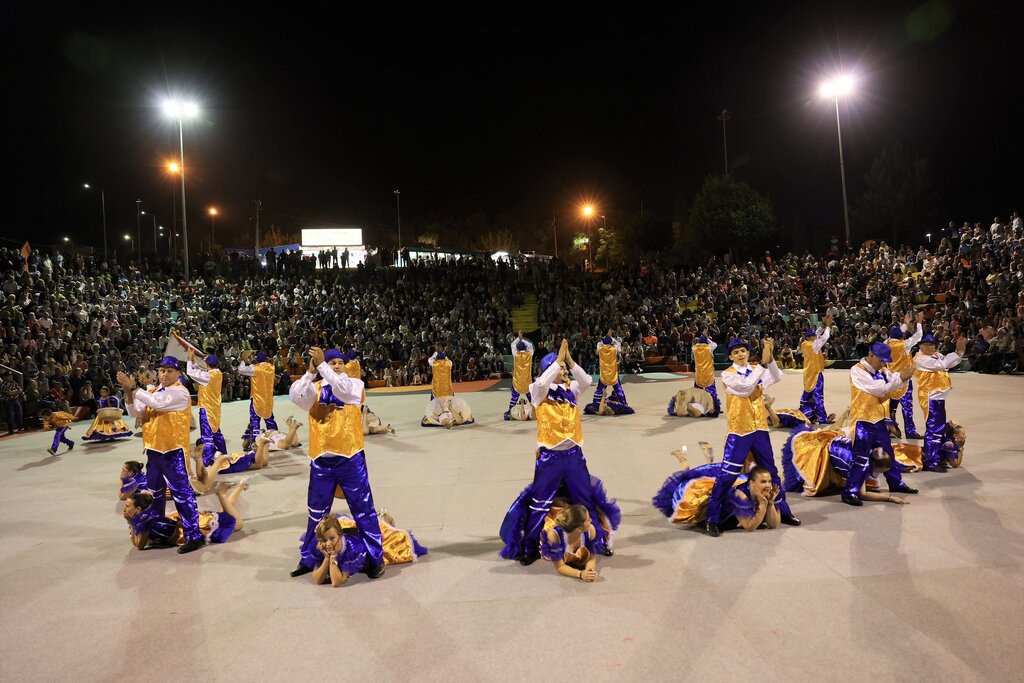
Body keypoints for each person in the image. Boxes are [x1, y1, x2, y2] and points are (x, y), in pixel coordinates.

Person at [500, 339, 617, 565]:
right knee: (540, 503)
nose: (564, 371)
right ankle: (530, 547)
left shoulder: (572, 389)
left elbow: (586, 380)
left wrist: (570, 361)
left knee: (585, 499)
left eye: (564, 368)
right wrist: (558, 361)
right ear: (550, 370)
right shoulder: (538, 391)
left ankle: (597, 541)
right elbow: (542, 382)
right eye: (560, 368)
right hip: (549, 457)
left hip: (574, 456)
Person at [288, 347, 385, 579]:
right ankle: (309, 557)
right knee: (316, 513)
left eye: (340, 362)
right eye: (332, 363)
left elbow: (342, 390)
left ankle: (375, 558)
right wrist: (310, 373)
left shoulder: (354, 385)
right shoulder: (314, 388)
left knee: (363, 510)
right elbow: (296, 396)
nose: (337, 366)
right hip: (321, 461)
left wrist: (323, 366)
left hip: (350, 459)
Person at [705, 338, 799, 537]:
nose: (740, 354)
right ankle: (712, 518)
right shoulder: (728, 375)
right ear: (730, 357)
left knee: (771, 471)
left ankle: (783, 510)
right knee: (727, 475)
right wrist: (763, 364)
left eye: (743, 351)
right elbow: (747, 387)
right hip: (739, 432)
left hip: (760, 429)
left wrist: (770, 357)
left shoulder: (756, 369)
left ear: (748, 353)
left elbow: (777, 376)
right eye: (736, 352)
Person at [118, 356, 204, 554]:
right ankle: (159, 530)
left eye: (169, 371)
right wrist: (128, 391)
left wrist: (135, 388)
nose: (164, 374)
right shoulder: (155, 391)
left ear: (178, 374)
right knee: (154, 495)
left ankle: (194, 536)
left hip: (173, 453)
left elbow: (158, 404)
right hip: (154, 453)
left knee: (182, 495)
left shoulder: (180, 392)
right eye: (162, 370)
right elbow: (135, 412)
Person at [843, 342, 919, 507]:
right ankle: (850, 492)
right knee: (861, 458)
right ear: (871, 355)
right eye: (882, 360)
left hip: (879, 421)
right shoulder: (857, 370)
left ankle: (896, 483)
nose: (884, 363)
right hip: (863, 422)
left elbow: (895, 385)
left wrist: (904, 378)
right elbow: (879, 389)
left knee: (889, 454)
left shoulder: (882, 371)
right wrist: (901, 378)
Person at [654, 445, 782, 532]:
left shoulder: (765, 491)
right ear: (752, 483)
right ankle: (683, 460)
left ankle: (708, 461)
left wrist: (770, 503)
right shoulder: (739, 495)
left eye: (769, 481)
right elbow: (750, 526)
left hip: (730, 486)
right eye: (763, 482)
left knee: (714, 477)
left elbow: (774, 524)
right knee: (687, 482)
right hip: (702, 503)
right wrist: (763, 505)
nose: (768, 485)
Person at [781, 425, 910, 505]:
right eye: (880, 471)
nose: (880, 474)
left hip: (837, 441)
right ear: (873, 464)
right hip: (824, 451)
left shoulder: (870, 452)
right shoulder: (861, 465)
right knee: (812, 478)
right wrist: (889, 498)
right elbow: (862, 494)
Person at [310, 512, 427, 587]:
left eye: (332, 538)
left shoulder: (352, 549)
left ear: (340, 536)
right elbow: (317, 579)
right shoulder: (320, 546)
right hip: (350, 533)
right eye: (324, 540)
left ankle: (383, 520)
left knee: (389, 543)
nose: (328, 544)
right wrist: (326, 558)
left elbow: (337, 582)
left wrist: (333, 556)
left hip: (363, 546)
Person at [121, 482, 247, 550]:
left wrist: (131, 523)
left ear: (138, 509)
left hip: (184, 530)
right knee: (224, 515)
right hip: (180, 524)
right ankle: (240, 486)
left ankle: (222, 493)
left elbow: (139, 545)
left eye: (127, 506)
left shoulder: (143, 521)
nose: (124, 509)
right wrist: (132, 523)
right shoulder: (143, 516)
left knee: (237, 524)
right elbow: (136, 541)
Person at [914, 334, 968, 472]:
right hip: (930, 398)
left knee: (939, 429)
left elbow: (950, 362)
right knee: (933, 430)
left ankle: (936, 457)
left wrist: (959, 353)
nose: (931, 347)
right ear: (920, 346)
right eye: (927, 345)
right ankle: (931, 461)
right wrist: (957, 352)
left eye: (933, 345)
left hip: (938, 398)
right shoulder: (920, 359)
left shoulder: (936, 355)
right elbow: (942, 365)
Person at [885, 312, 925, 439]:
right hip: (904, 380)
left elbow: (895, 334)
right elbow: (919, 336)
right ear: (901, 336)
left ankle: (889, 430)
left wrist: (905, 324)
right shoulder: (905, 345)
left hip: (890, 381)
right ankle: (910, 431)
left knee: (891, 408)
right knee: (907, 407)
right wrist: (919, 323)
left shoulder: (886, 343)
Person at [187, 352, 227, 455]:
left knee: (207, 435)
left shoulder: (207, 376)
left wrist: (189, 360)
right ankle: (223, 453)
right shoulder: (218, 373)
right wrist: (193, 362)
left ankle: (208, 458)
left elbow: (190, 372)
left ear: (206, 364)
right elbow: (200, 373)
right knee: (216, 432)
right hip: (214, 407)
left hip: (206, 408)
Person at [584, 332, 634, 415]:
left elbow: (599, 344)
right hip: (613, 374)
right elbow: (618, 345)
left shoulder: (600, 349)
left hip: (604, 374)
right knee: (618, 389)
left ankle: (596, 404)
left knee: (599, 390)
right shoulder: (614, 349)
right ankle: (623, 403)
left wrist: (604, 339)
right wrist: (612, 339)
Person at [799, 315, 836, 424]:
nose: (816, 336)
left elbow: (818, 334)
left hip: (808, 374)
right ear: (810, 338)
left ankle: (805, 414)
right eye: (814, 336)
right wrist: (828, 326)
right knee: (818, 396)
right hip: (815, 374)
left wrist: (822, 325)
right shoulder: (814, 345)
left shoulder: (805, 344)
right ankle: (822, 418)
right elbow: (824, 338)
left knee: (806, 396)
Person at [238, 351, 278, 446]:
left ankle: (255, 443)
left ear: (257, 359)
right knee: (269, 419)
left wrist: (243, 360)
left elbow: (241, 370)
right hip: (268, 399)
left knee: (255, 421)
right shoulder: (271, 367)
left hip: (257, 399)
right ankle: (276, 439)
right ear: (266, 359)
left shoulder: (255, 368)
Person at [893, 421, 967, 471]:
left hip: (919, 450)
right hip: (919, 456)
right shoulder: (950, 445)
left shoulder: (947, 440)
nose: (965, 436)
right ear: (955, 436)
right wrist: (961, 449)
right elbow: (955, 464)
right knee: (897, 458)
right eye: (963, 434)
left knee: (895, 452)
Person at [505, 332, 534, 420]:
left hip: (517, 381)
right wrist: (523, 339)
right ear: (526, 348)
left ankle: (510, 412)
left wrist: (519, 338)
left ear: (517, 348)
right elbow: (530, 346)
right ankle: (536, 411)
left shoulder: (516, 355)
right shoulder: (530, 355)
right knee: (531, 398)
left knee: (514, 398)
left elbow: (513, 344)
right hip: (527, 381)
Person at [690, 333, 720, 416]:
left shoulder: (694, 348)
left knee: (698, 392)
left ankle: (698, 409)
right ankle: (714, 408)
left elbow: (695, 344)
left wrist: (702, 339)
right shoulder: (709, 348)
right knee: (712, 392)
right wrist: (707, 338)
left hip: (699, 374)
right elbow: (715, 344)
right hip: (708, 374)